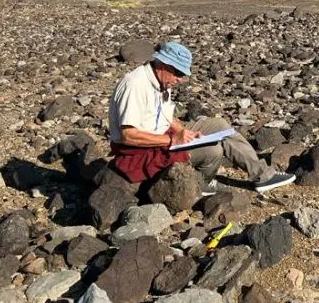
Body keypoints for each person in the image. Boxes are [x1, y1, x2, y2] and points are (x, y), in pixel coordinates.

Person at [108, 40, 296, 194]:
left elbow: (166, 115)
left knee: (221, 125)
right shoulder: (135, 85)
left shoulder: (161, 81)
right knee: (213, 151)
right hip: (139, 150)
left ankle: (263, 176)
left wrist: (183, 131)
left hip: (162, 135)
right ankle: (201, 183)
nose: (181, 79)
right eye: (179, 73)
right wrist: (172, 139)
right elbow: (129, 136)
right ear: (163, 65)